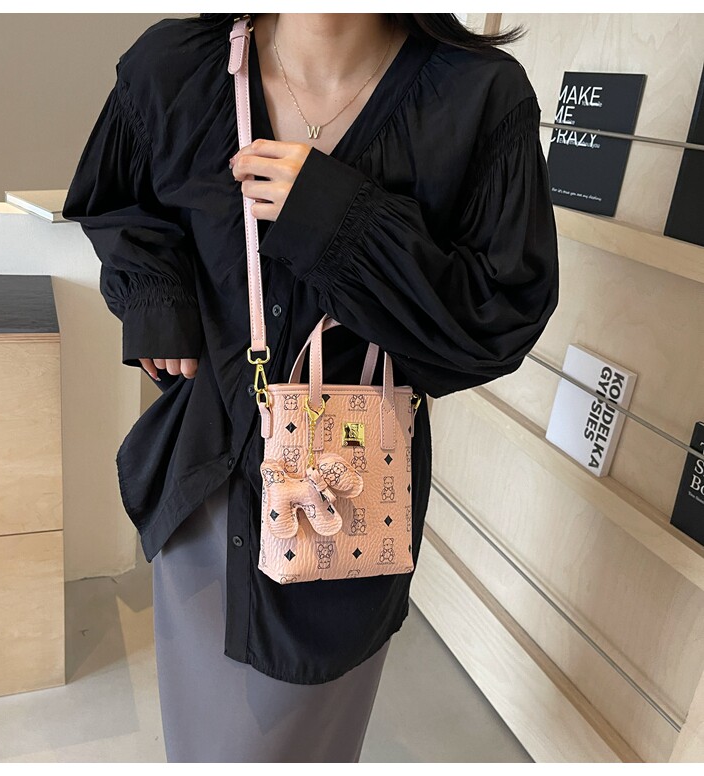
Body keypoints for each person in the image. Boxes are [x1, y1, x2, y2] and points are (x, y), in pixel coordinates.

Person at [62, 12, 560, 763]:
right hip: (205, 491)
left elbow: (499, 318)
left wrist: (340, 222)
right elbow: (116, 199)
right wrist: (156, 300)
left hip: (347, 514)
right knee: (199, 746)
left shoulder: (479, 96)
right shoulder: (176, 67)